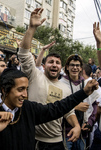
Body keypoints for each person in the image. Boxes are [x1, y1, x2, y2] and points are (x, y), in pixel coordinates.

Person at [0, 66, 98, 150]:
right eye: (20, 89)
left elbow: (57, 108)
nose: (25, 94)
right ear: (4, 90)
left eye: (27, 89)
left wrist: (83, 93)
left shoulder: (29, 109)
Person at [18, 8, 80, 150]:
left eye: (57, 63)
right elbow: (23, 53)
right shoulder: (34, 75)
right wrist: (32, 28)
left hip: (54, 142)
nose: (54, 65)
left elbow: (68, 111)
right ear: (44, 65)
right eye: (51, 62)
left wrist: (76, 126)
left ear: (61, 67)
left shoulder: (65, 87)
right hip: (30, 138)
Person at [60, 54, 95, 150]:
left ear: (80, 68)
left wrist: (89, 123)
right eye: (72, 65)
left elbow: (94, 106)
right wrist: (75, 106)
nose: (75, 68)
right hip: (66, 131)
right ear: (67, 67)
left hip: (83, 132)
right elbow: (57, 105)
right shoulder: (61, 83)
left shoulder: (87, 84)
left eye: (77, 65)